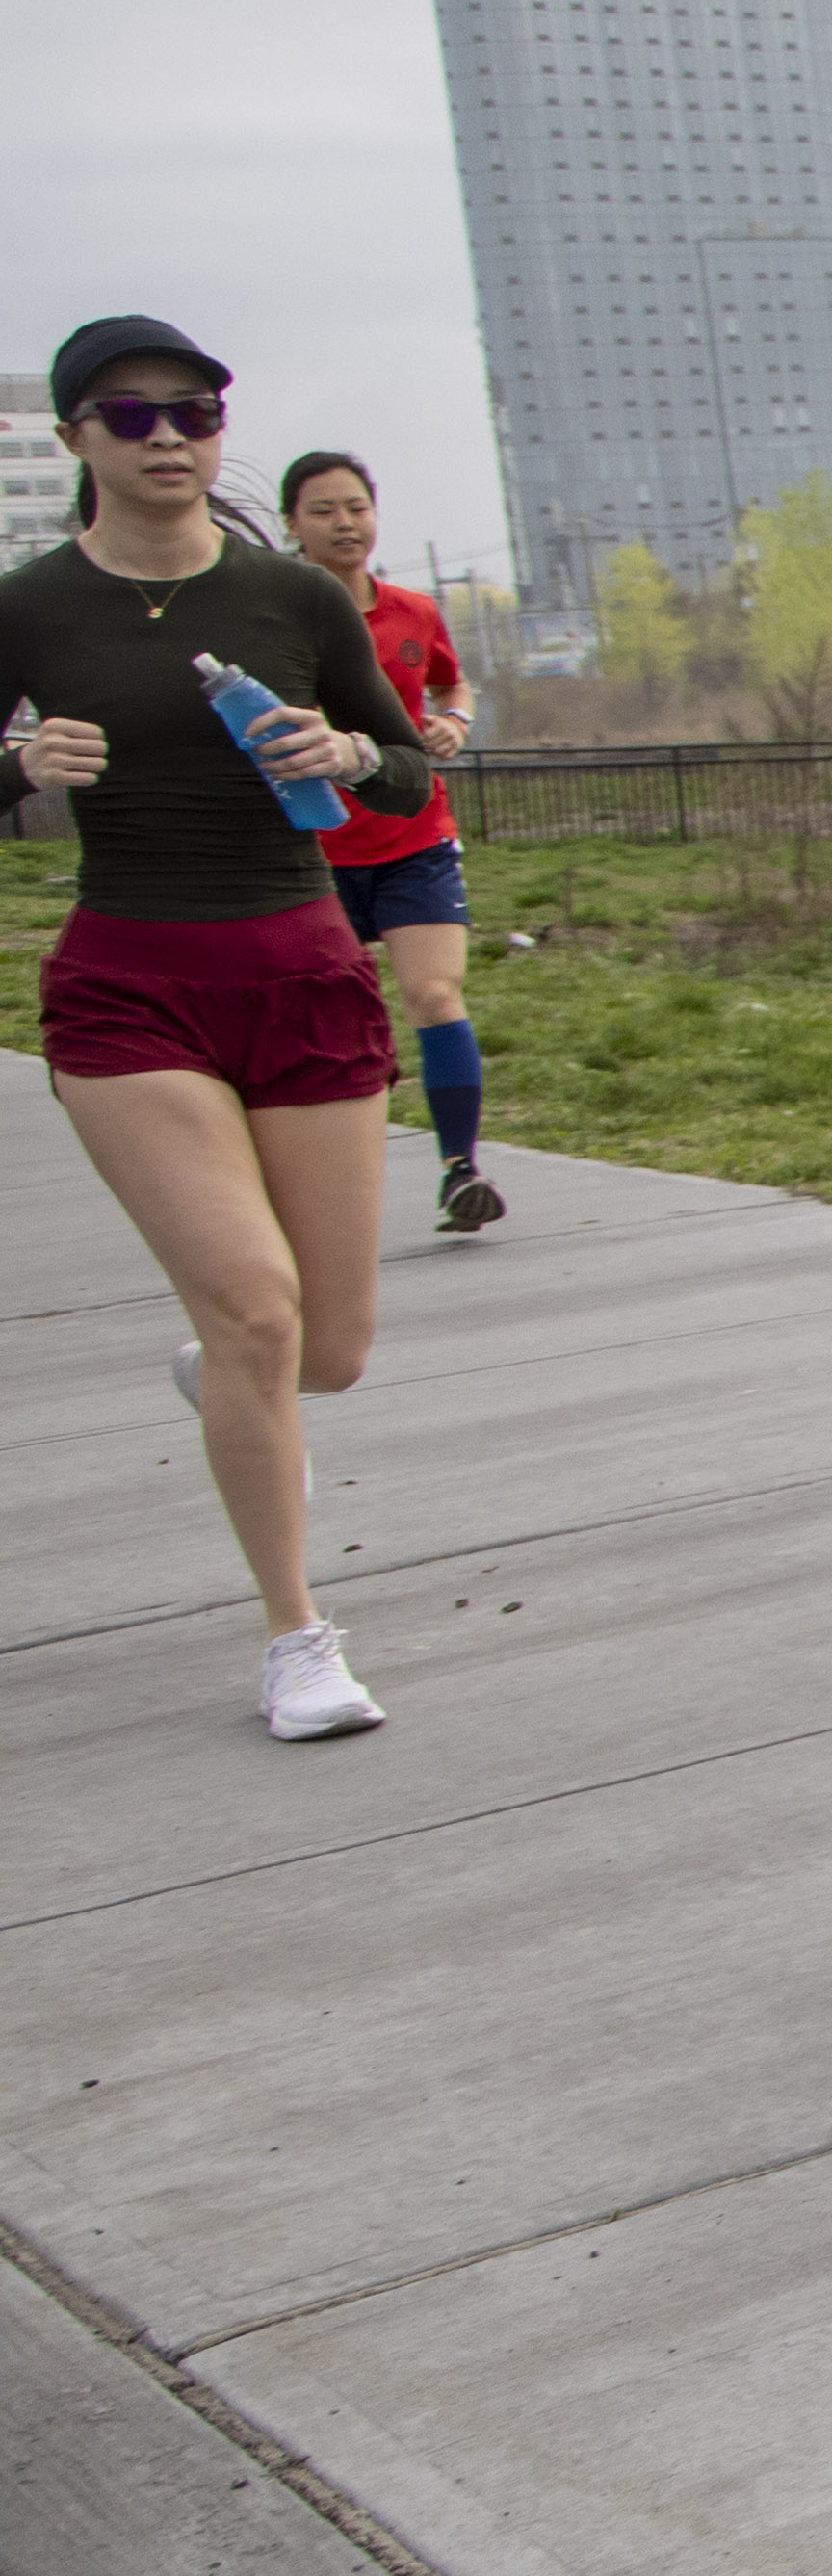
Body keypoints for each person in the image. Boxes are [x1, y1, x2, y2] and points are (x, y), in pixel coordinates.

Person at [6, 319, 439, 1739]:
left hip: (303, 969)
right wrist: (12, 769)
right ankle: (298, 1639)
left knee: (326, 1353)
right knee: (259, 1308)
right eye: (132, 417)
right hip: (129, 983)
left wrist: (347, 749)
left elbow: (403, 781)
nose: (170, 436)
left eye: (193, 410)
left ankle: (227, 1377)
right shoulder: (30, 610)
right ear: (78, 437)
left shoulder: (288, 598)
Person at [274, 449, 501, 1235]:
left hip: (414, 836)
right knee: (337, 1024)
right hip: (314, 850)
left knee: (436, 994)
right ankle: (316, 1191)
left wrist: (454, 721)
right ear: (292, 527)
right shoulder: (277, 617)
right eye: (324, 511)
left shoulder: (413, 611)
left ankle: (459, 1170)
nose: (345, 523)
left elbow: (451, 682)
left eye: (356, 507)